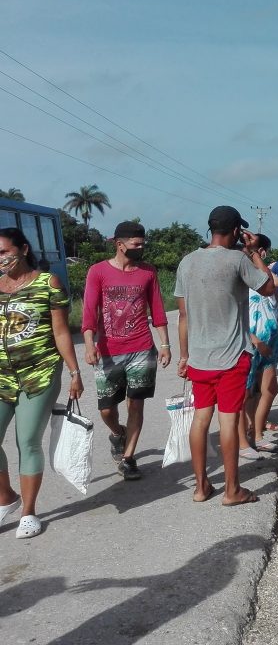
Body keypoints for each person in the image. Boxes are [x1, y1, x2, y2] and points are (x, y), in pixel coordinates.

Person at [175, 206, 275, 506]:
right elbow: (269, 287)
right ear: (235, 231)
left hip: (199, 358)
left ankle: (201, 486)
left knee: (201, 419)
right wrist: (254, 250)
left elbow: (182, 315)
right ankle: (232, 490)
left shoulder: (187, 262)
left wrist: (184, 355)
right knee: (228, 422)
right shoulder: (236, 260)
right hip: (232, 358)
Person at [0, 227, 84, 538]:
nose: (0, 259)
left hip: (40, 373)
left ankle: (29, 513)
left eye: (3, 252)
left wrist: (74, 372)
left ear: (22, 249)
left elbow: (62, 332)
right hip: (2, 376)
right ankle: (6, 498)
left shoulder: (48, 283)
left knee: (27, 440)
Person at [81, 221, 171, 480]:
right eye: (136, 244)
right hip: (108, 350)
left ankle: (129, 457)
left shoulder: (148, 272)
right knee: (107, 409)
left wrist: (164, 345)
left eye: (143, 243)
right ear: (119, 244)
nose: (141, 247)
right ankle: (118, 434)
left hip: (142, 348)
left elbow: (158, 311)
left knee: (136, 404)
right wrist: (89, 344)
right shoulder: (97, 271)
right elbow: (89, 311)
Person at [238, 233, 278, 461]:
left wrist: (255, 256)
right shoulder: (241, 277)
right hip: (252, 341)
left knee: (267, 390)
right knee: (246, 392)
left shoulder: (264, 275)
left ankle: (256, 434)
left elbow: (275, 283)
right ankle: (245, 438)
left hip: (272, 341)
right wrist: (254, 339)